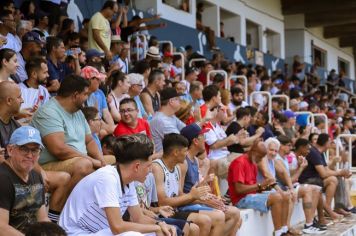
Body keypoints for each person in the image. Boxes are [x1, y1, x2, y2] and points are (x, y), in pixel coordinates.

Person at [59, 134, 177, 236]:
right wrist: (156, 228)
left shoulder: (127, 181)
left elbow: (139, 218)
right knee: (134, 235)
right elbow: (117, 227)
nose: (151, 170)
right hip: (77, 233)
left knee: (160, 232)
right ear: (136, 166)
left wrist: (160, 224)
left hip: (98, 232)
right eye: (148, 166)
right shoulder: (107, 178)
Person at [31, 75, 115, 194]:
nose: (87, 98)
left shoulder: (78, 112)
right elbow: (59, 150)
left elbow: (89, 141)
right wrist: (91, 160)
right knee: (84, 165)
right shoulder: (49, 112)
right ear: (75, 95)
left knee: (116, 159)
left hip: (78, 160)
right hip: (50, 164)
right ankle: (59, 208)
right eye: (85, 94)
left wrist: (101, 160)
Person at [153, 133, 226, 236]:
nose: (187, 154)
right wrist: (192, 196)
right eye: (185, 151)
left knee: (211, 219)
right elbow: (162, 202)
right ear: (176, 152)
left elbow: (179, 195)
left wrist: (201, 197)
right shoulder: (157, 167)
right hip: (162, 213)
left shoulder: (177, 168)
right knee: (205, 221)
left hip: (174, 210)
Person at [180, 124, 242, 236]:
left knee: (235, 214)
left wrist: (210, 196)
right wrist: (205, 200)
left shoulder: (195, 160)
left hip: (194, 202)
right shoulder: (184, 162)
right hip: (186, 206)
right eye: (203, 136)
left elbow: (195, 189)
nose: (205, 139)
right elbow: (181, 194)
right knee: (231, 214)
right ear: (195, 141)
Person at [227, 141, 290, 236]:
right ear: (253, 151)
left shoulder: (253, 162)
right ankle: (278, 233)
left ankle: (284, 230)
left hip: (251, 195)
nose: (260, 160)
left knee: (284, 195)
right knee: (277, 197)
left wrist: (266, 186)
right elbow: (239, 189)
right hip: (240, 199)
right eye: (259, 157)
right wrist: (261, 185)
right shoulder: (240, 162)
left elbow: (254, 188)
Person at [0, 126, 50, 234]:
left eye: (35, 150)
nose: (30, 155)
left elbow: (43, 219)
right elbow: (1, 228)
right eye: (24, 149)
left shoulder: (36, 176)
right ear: (10, 150)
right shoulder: (3, 179)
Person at [299, 133, 350, 222]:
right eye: (329, 142)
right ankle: (328, 210)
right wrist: (339, 172)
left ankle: (338, 207)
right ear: (326, 143)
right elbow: (323, 174)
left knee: (336, 177)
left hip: (315, 179)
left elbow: (326, 170)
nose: (330, 144)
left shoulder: (320, 153)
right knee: (333, 179)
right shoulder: (314, 153)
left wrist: (340, 173)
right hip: (308, 180)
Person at [150, 87, 186, 152]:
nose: (180, 101)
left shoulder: (171, 116)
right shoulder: (160, 120)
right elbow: (180, 140)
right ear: (171, 101)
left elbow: (186, 130)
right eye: (178, 99)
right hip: (163, 160)